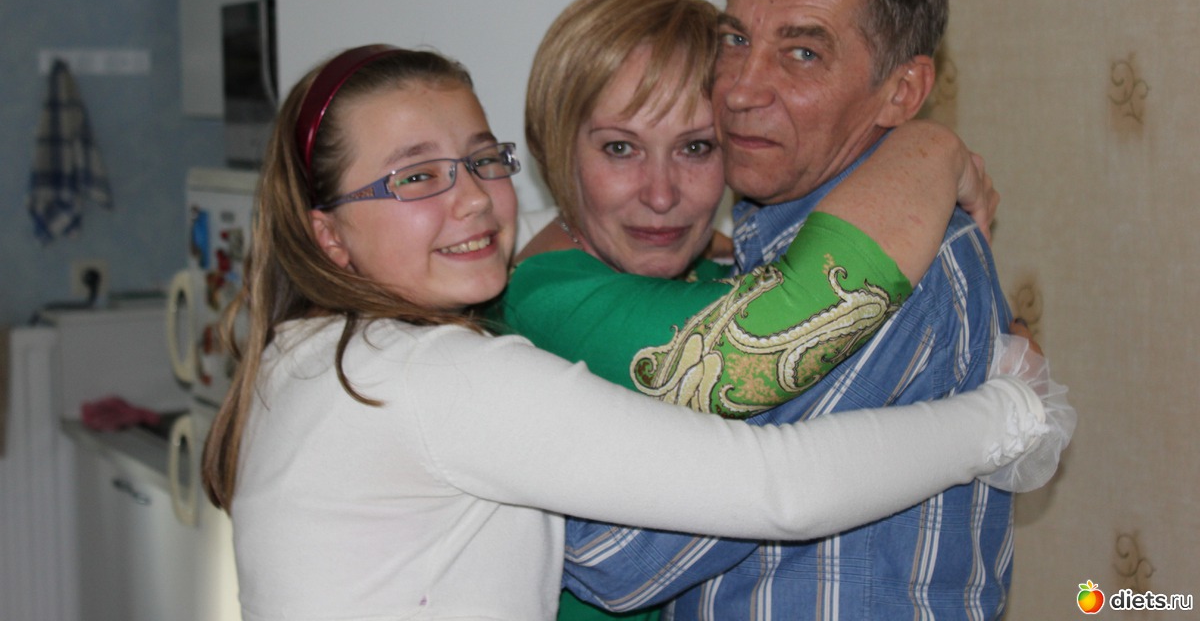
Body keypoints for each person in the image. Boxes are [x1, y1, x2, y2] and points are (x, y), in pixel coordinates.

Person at [201, 43, 1053, 621]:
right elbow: (781, 489)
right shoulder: (432, 379)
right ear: (328, 233)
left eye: (482, 160)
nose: (473, 200)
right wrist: (1012, 412)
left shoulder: (305, 354)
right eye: (415, 177)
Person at [557, 0, 1067, 619]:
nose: (740, 91)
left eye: (802, 52)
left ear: (902, 92)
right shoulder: (765, 233)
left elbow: (620, 558)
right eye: (735, 40)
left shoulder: (893, 270)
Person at [500, 0, 1003, 621]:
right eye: (619, 148)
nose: (661, 195)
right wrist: (931, 148)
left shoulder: (706, 263)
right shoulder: (548, 298)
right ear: (554, 146)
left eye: (696, 148)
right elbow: (767, 340)